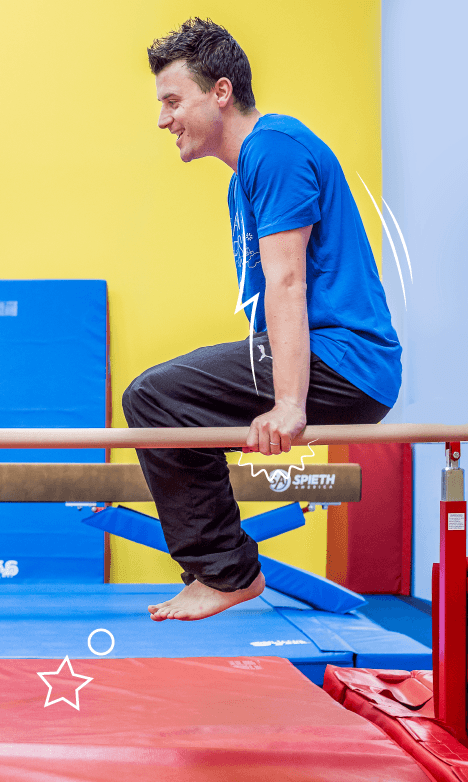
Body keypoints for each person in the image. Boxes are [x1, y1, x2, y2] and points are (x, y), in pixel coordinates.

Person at [123, 19, 401, 622]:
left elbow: (288, 282)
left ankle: (226, 572)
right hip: (328, 358)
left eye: (173, 101)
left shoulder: (274, 149)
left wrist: (288, 403)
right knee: (170, 406)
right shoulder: (245, 176)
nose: (164, 119)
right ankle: (223, 566)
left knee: (155, 398)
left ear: (220, 92)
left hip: (346, 361)